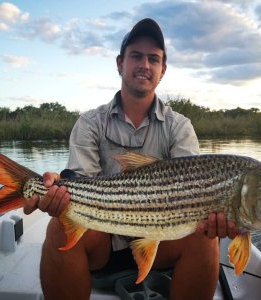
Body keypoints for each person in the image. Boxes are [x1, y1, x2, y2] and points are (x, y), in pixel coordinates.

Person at [24, 18, 237, 300]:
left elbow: (194, 185)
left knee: (207, 237)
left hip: (163, 241)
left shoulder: (179, 126)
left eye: (154, 58)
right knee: (59, 226)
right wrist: (56, 191)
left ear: (163, 69)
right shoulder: (90, 123)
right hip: (103, 242)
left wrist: (222, 215)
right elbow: (77, 183)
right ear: (119, 63)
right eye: (136, 56)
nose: (145, 65)